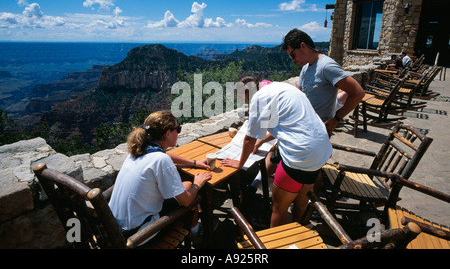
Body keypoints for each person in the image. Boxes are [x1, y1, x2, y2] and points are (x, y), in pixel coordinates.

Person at [221, 75, 333, 227]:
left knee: (279, 207)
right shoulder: (283, 89)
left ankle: (278, 240)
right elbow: (285, 123)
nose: (246, 102)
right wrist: (262, 141)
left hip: (299, 155)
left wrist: (240, 164)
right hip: (320, 151)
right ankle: (297, 231)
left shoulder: (259, 98)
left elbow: (249, 139)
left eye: (243, 98)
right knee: (301, 201)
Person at [109, 110, 212, 245]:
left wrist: (193, 162)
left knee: (185, 185)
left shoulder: (138, 150)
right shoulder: (160, 160)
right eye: (178, 129)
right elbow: (186, 201)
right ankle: (196, 231)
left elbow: (165, 156)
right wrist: (198, 184)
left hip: (114, 229)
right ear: (168, 133)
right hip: (138, 236)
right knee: (191, 195)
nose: (179, 132)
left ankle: (194, 228)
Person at [282, 29, 365, 134]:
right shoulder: (306, 67)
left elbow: (358, 93)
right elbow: (300, 92)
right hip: (304, 126)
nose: (293, 60)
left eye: (293, 55)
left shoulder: (327, 66)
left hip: (318, 130)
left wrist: (336, 120)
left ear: (303, 46)